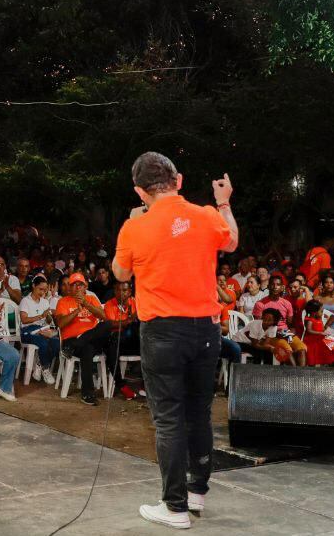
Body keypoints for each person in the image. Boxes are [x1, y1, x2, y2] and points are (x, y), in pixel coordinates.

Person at [112, 152, 238, 529]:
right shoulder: (205, 214)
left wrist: (135, 223)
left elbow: (120, 272)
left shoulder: (134, 227)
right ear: (179, 180)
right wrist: (223, 201)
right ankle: (197, 491)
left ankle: (175, 508)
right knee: (198, 412)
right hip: (206, 329)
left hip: (164, 331)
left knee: (168, 420)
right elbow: (231, 241)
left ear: (139, 190)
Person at [54, 273, 111, 405]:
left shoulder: (91, 299)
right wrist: (76, 311)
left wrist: (85, 304)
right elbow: (61, 324)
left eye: (81, 285)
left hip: (79, 343)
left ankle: (78, 343)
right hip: (71, 339)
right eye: (74, 285)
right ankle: (87, 394)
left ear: (85, 286)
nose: (78, 287)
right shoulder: (63, 301)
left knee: (107, 325)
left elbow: (103, 316)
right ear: (70, 287)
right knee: (88, 349)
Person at [18, 273, 59, 385]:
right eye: (40, 289)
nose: (42, 293)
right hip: (27, 330)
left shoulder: (45, 302)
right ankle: (46, 369)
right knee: (43, 342)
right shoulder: (25, 301)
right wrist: (41, 316)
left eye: (45, 290)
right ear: (33, 286)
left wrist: (50, 316)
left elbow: (48, 321)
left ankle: (40, 364)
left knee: (56, 342)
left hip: (41, 329)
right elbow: (24, 320)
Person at [301, 300, 334, 367]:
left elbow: (323, 329)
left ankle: (333, 367)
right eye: (321, 311)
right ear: (314, 312)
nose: (322, 313)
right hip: (313, 340)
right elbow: (309, 330)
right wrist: (320, 333)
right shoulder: (310, 320)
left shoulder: (319, 319)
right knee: (315, 357)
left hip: (322, 338)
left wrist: (333, 332)